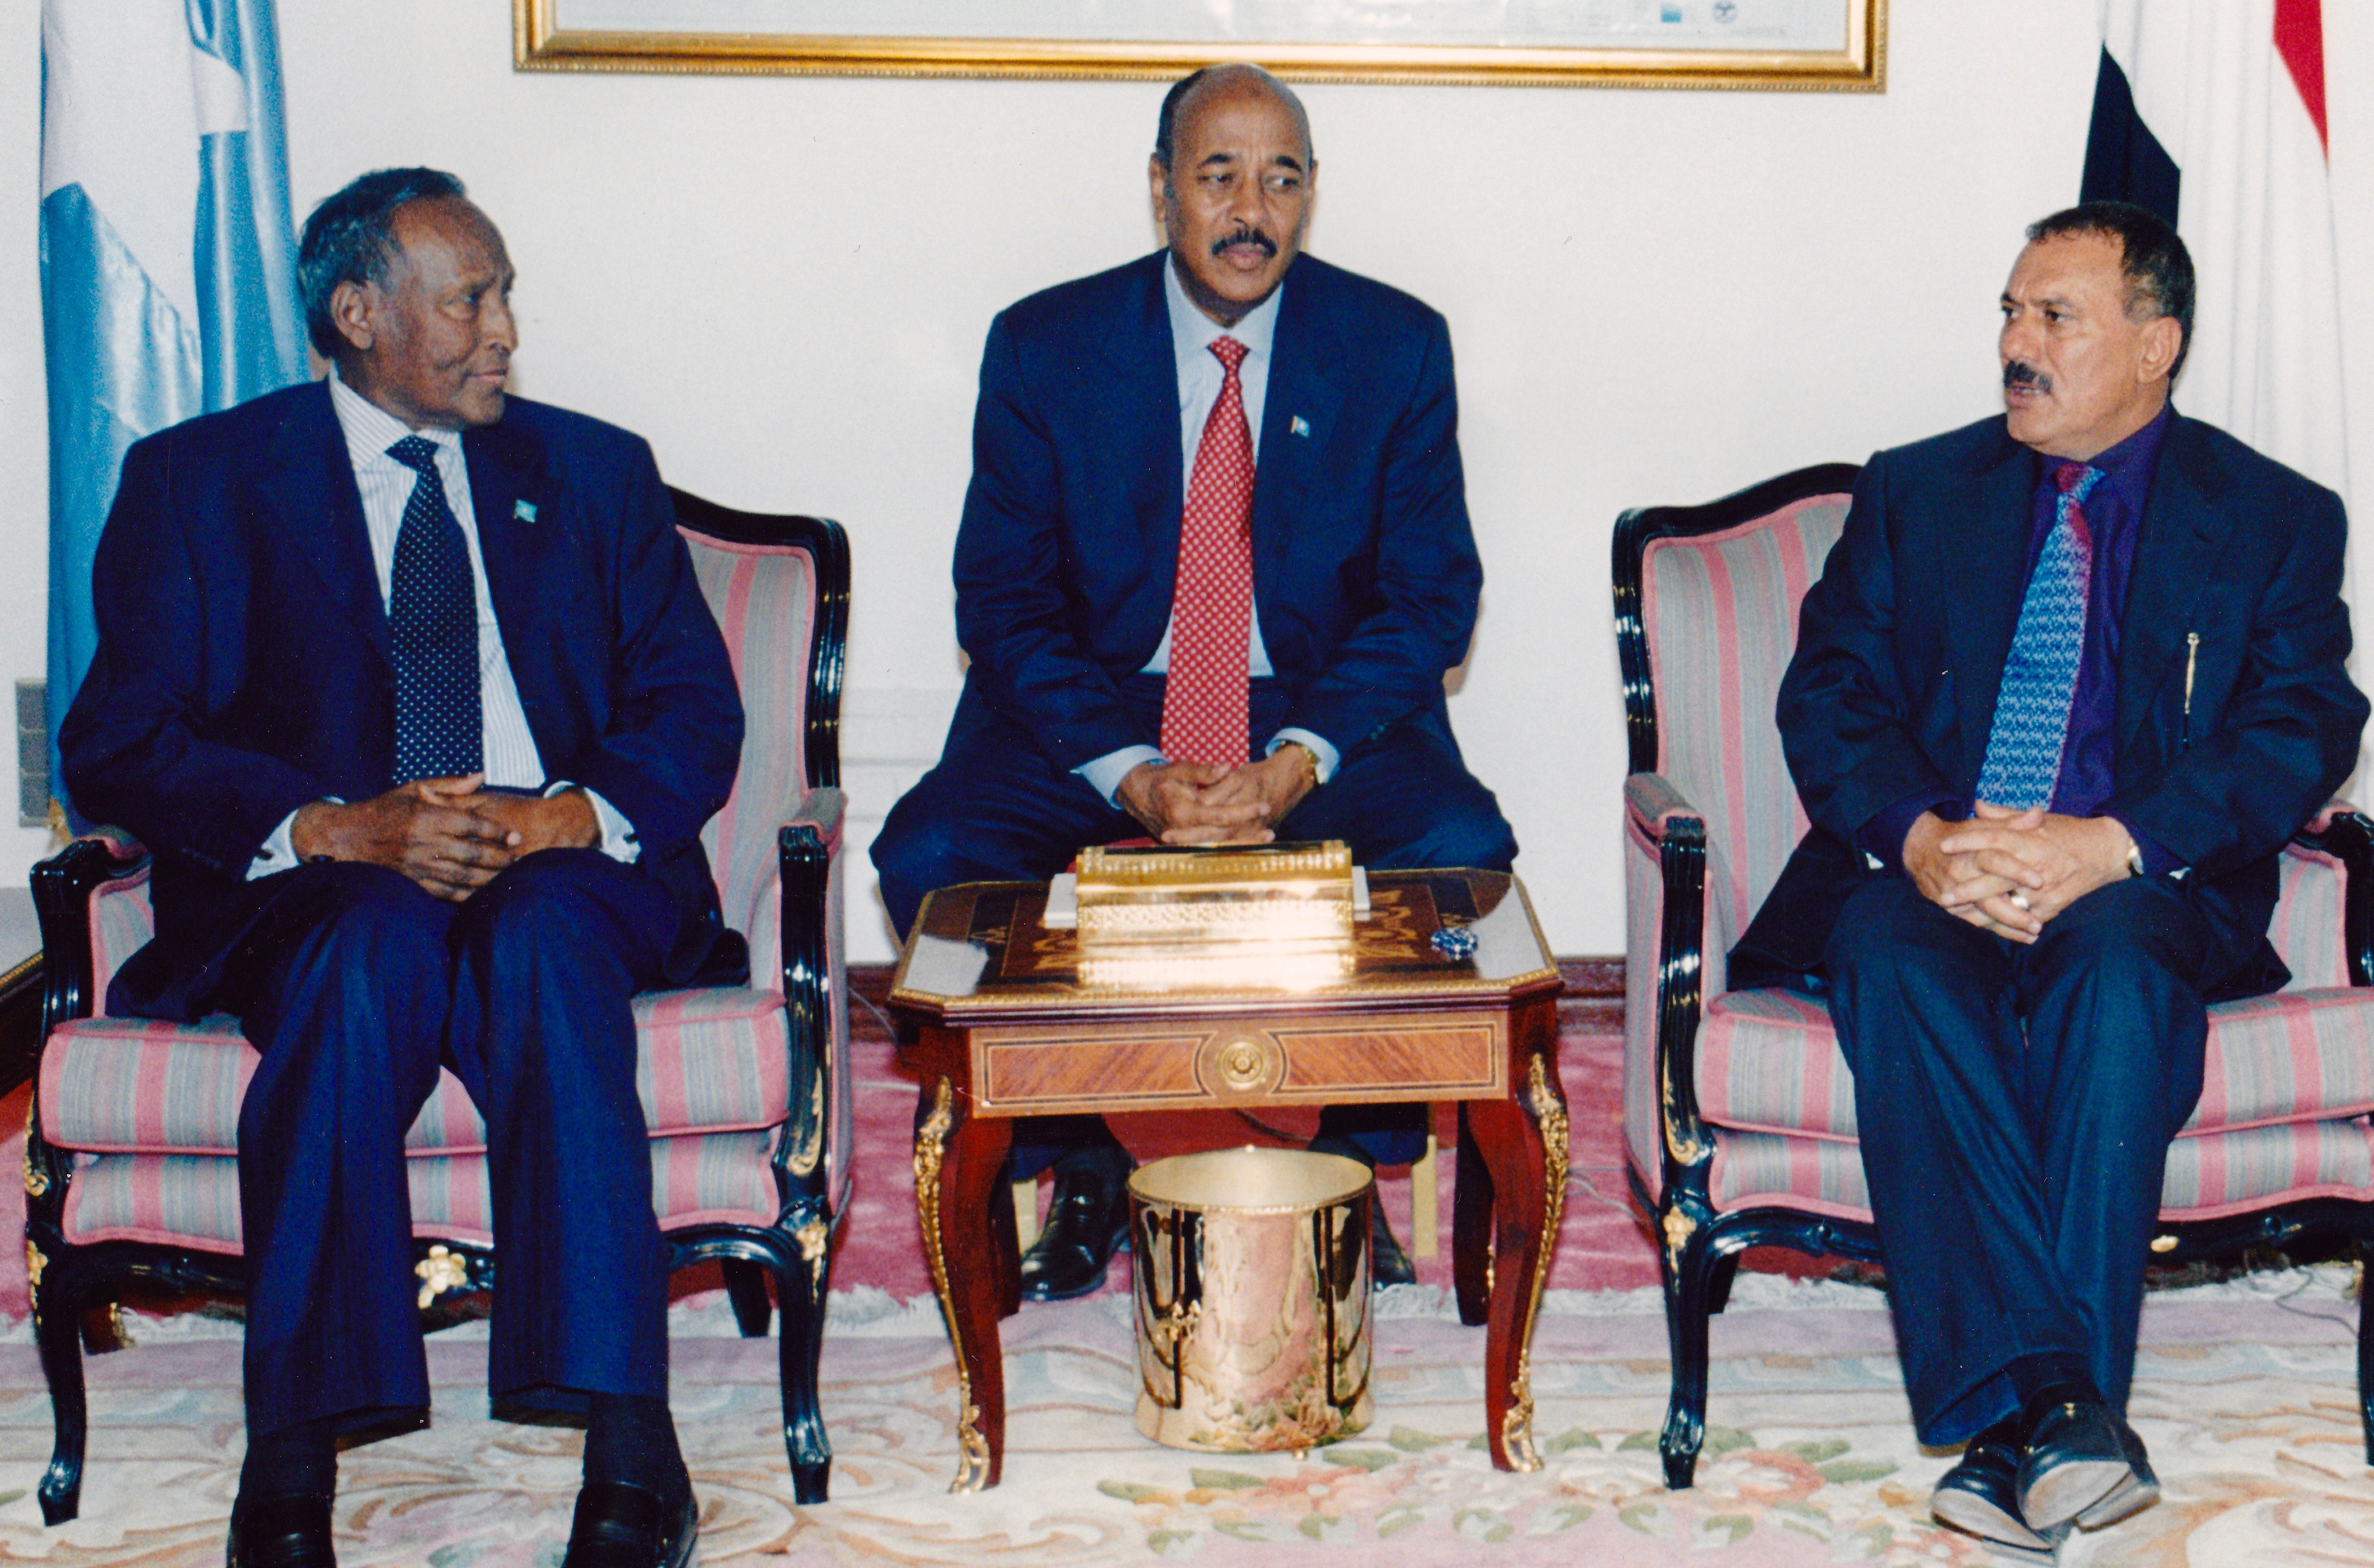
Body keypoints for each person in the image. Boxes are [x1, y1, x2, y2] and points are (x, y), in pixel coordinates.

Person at [60, 168, 742, 1568]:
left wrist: (571, 813)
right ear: (360, 313)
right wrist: (329, 826)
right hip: (322, 878)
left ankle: (630, 1441)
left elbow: (694, 709)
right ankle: (294, 1452)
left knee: (541, 939)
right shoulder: (200, 482)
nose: (505, 332)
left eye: (505, 297)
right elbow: (117, 740)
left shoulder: (592, 470)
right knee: (367, 942)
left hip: (553, 865)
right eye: (469, 300)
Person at [1733, 201, 2365, 1557]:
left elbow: (2302, 722)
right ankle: (2065, 1411)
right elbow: (1829, 690)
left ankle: (2011, 1424)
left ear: (2153, 345)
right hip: (1938, 862)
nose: (2015, 344)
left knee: (2120, 969)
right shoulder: (1915, 489)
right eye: (2010, 313)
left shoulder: (2268, 516)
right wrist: (1919, 839)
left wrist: (2112, 842)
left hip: (2135, 876)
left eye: (2054, 317)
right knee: (1885, 949)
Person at [871, 63, 1515, 1300]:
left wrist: (1297, 760)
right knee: (934, 853)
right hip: (1101, 705)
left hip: (1310, 708)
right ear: (1160, 187)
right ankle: (1080, 1146)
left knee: (1458, 848)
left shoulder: (1392, 345)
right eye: (1218, 176)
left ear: (1313, 193)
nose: (1249, 211)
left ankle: (1345, 1147)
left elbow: (1431, 596)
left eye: (1281, 179)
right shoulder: (1046, 345)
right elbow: (1001, 601)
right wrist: (1132, 774)